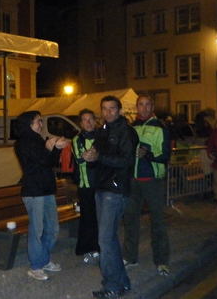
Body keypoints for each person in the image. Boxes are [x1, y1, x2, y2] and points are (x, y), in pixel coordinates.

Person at [82, 96, 139, 298]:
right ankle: (122, 282)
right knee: (109, 240)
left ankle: (112, 285)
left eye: (112, 108)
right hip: (102, 188)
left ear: (120, 110)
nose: (108, 112)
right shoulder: (102, 132)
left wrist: (99, 158)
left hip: (115, 190)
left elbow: (126, 161)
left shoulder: (126, 132)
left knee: (105, 240)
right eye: (104, 109)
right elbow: (98, 159)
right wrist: (90, 159)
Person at [13, 110, 70, 281]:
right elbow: (33, 166)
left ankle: (43, 259)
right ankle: (36, 266)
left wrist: (57, 149)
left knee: (53, 228)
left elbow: (49, 162)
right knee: (37, 230)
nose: (41, 124)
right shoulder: (22, 143)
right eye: (38, 121)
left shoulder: (38, 140)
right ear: (29, 124)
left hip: (46, 189)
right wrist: (48, 148)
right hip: (34, 191)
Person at [123, 94, 171, 276]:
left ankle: (162, 261)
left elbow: (166, 155)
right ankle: (130, 257)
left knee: (158, 221)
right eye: (140, 105)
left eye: (147, 104)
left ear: (152, 106)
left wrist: (148, 154)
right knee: (130, 220)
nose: (144, 108)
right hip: (133, 181)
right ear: (137, 107)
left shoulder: (161, 128)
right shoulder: (130, 128)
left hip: (152, 180)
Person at [71, 108, 100, 264]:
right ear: (81, 123)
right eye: (85, 120)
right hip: (86, 185)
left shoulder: (101, 136)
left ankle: (97, 247)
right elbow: (81, 159)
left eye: (91, 119)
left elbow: (100, 157)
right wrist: (91, 156)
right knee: (87, 218)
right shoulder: (77, 140)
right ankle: (85, 249)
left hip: (101, 184)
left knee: (100, 218)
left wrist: (93, 156)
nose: (89, 122)